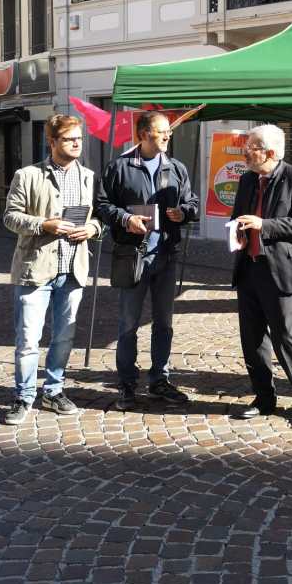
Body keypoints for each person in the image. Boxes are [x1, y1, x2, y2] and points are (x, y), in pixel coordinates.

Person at [95, 111, 199, 411]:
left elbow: (192, 203)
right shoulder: (120, 167)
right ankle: (127, 385)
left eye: (169, 131)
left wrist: (183, 213)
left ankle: (159, 381)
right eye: (162, 131)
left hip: (166, 256)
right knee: (128, 325)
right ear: (143, 134)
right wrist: (125, 218)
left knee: (164, 324)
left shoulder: (175, 168)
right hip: (132, 257)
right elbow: (101, 205)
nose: (168, 135)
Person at [2, 114, 101, 425]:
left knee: (63, 337)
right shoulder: (28, 175)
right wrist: (44, 224)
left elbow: (98, 216)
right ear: (52, 142)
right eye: (69, 139)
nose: (76, 144)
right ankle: (24, 395)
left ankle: (54, 390)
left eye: (79, 139)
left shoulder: (88, 176)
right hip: (35, 270)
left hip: (72, 269)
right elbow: (10, 217)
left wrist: (93, 229)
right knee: (28, 339)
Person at [230, 124, 292, 426]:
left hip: (280, 270)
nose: (245, 152)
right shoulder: (247, 179)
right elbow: (238, 217)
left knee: (285, 336)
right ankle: (264, 398)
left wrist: (264, 225)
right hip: (249, 267)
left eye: (251, 147)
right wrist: (237, 231)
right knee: (252, 338)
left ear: (269, 153)